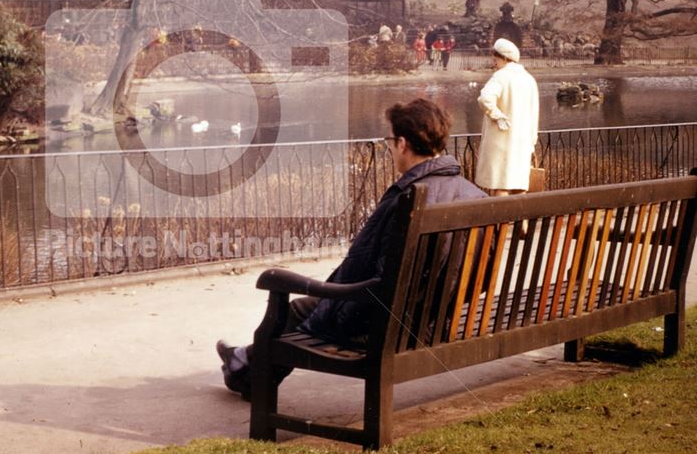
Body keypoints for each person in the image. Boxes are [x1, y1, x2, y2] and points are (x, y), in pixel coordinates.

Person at [216, 99, 486, 399]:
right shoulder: (475, 195)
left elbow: (375, 279)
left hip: (393, 325)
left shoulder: (407, 201)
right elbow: (479, 278)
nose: (391, 148)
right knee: (311, 308)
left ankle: (247, 374)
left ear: (402, 143)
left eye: (390, 142)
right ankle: (242, 362)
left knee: (290, 310)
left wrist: (331, 293)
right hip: (440, 316)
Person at [475, 38, 540, 196]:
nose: (494, 61)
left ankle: (499, 221)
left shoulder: (500, 77)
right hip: (522, 143)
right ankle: (521, 222)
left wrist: (497, 116)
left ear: (504, 58)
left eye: (496, 57)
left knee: (501, 184)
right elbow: (534, 114)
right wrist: (532, 143)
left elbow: (485, 99)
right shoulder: (529, 80)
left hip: (501, 141)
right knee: (519, 186)